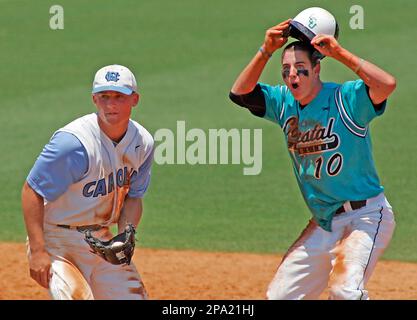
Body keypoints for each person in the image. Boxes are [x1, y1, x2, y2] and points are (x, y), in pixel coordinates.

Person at [229, 19, 397, 300]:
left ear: (317, 68)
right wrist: (266, 50)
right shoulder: (283, 102)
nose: (292, 75)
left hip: (366, 216)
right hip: (324, 221)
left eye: (301, 69)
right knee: (279, 297)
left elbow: (386, 84)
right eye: (285, 70)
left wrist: (339, 53)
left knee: (346, 292)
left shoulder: (347, 99)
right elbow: (240, 93)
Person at [21, 64, 154, 300]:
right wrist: (38, 251)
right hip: (57, 240)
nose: (110, 104)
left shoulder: (142, 142)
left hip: (101, 240)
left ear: (135, 99)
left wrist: (124, 235)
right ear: (94, 99)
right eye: (104, 96)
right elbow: (32, 190)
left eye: (119, 97)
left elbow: (134, 196)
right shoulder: (73, 144)